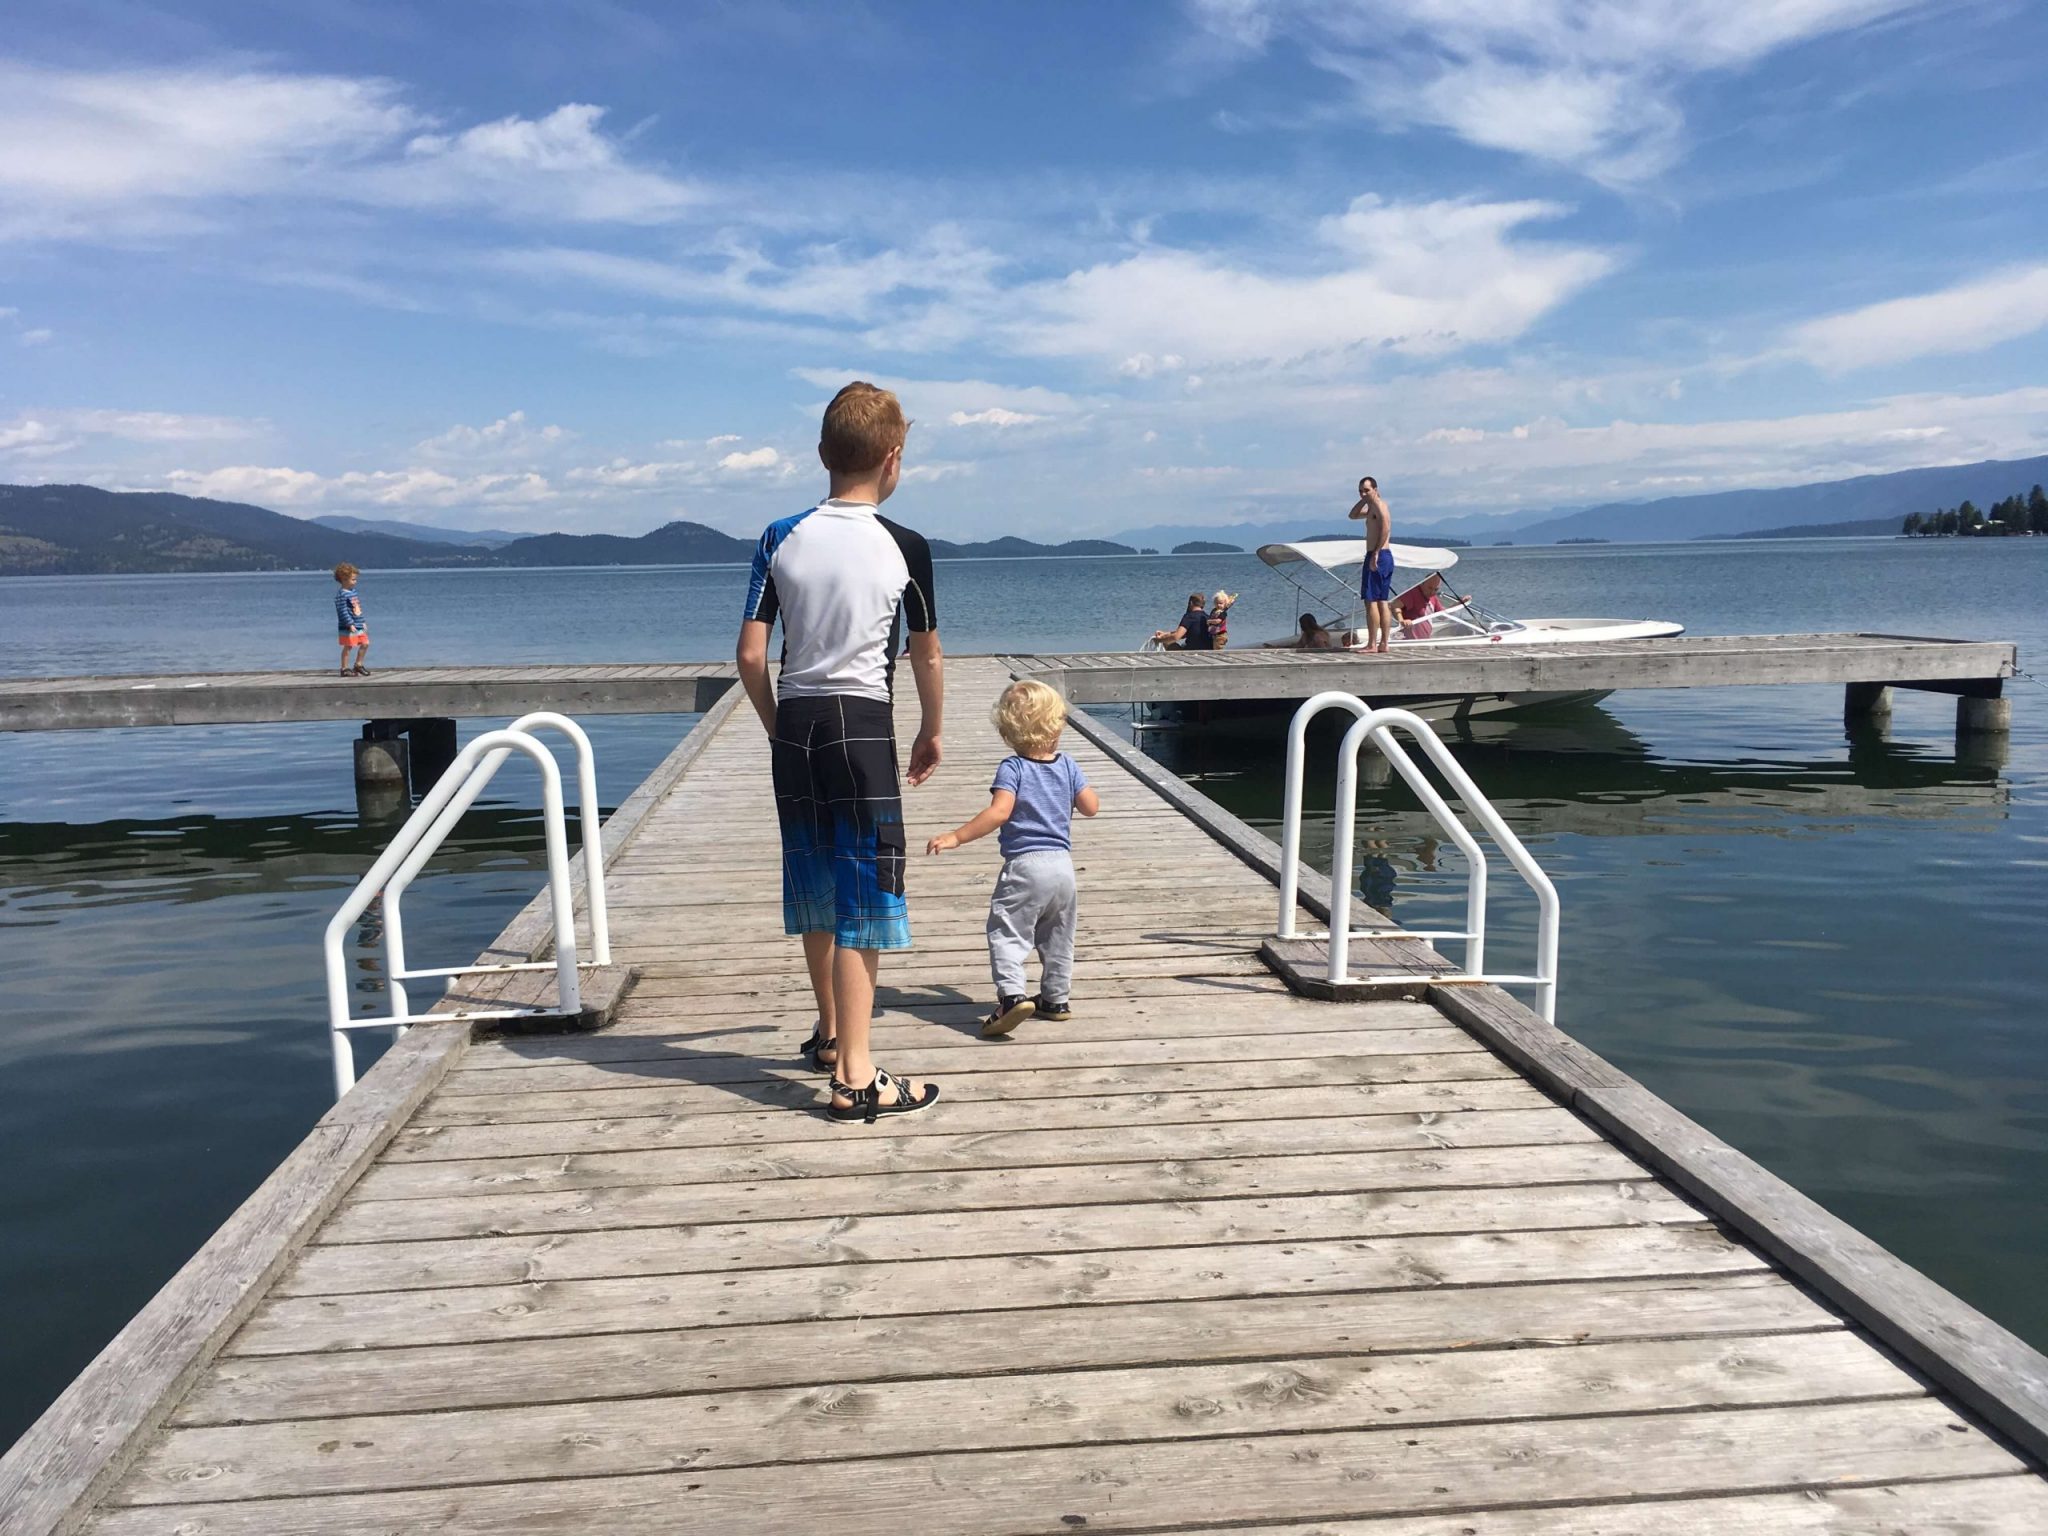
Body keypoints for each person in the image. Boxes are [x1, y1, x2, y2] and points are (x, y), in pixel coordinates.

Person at [736, 381, 944, 1124]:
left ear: (823, 455)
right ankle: (859, 1078)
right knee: (868, 895)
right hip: (863, 724)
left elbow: (753, 657)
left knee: (816, 881)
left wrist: (776, 726)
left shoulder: (779, 535)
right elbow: (925, 655)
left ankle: (831, 1032)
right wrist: (931, 729)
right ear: (893, 459)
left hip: (795, 721)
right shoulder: (905, 546)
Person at [926, 679, 1100, 1037]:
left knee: (1007, 932)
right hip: (1062, 867)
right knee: (1058, 935)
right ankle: (1054, 998)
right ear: (1058, 724)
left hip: (1025, 865)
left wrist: (957, 836)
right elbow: (1090, 807)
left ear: (1009, 731)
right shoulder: (1068, 765)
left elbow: (999, 812)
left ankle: (1011, 996)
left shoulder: (1013, 768)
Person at [1347, 475, 1393, 654]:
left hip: (1378, 555)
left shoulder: (1380, 506)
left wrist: (1375, 553)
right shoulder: (1372, 507)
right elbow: (1352, 515)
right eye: (1360, 491)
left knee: (1372, 600)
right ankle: (1382, 644)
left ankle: (1374, 643)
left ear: (1375, 489)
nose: (1363, 493)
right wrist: (1364, 500)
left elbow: (1385, 528)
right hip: (1381, 555)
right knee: (1381, 600)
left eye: (1366, 490)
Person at [332, 563, 369, 676]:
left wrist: (362, 622)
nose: (355, 582)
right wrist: (349, 623)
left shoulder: (353, 593)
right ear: (344, 579)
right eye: (353, 579)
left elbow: (357, 609)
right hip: (348, 626)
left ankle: (358, 664)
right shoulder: (341, 594)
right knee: (348, 646)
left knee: (365, 643)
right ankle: (344, 668)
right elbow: (342, 611)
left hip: (358, 624)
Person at [1397, 571, 1445, 639]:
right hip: (1408, 641)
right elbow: (1394, 606)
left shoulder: (1433, 597)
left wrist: (1459, 603)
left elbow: (1442, 616)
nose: (1432, 592)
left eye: (1436, 589)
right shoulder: (1413, 593)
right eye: (1430, 588)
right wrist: (1402, 620)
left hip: (1423, 641)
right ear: (1423, 584)